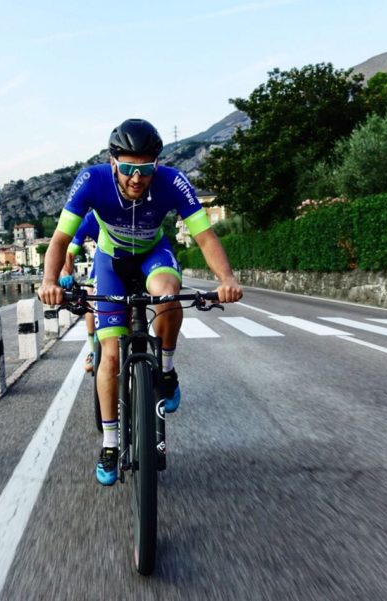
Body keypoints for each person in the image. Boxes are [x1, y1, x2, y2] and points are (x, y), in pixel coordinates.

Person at [38, 118, 242, 486]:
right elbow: (60, 240)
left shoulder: (172, 181)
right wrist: (50, 281)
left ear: (156, 165)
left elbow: (206, 238)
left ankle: (166, 370)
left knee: (168, 294)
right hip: (111, 262)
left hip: (152, 254)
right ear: (112, 162)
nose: (137, 178)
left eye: (146, 169)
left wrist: (226, 279)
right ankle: (110, 444)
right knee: (110, 356)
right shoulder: (91, 180)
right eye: (128, 168)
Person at [58, 210, 99, 372]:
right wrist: (66, 273)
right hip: (104, 262)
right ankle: (93, 349)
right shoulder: (90, 219)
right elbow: (70, 253)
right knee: (90, 294)